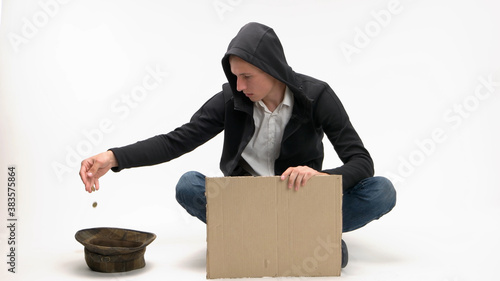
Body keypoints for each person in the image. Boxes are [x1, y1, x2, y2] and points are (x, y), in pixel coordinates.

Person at [79, 22, 396, 269]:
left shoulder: (317, 96)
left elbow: (361, 161)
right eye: (235, 77)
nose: (240, 86)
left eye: (247, 76)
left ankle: (276, 234)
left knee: (381, 190)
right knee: (188, 185)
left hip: (302, 200)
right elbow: (177, 140)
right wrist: (113, 157)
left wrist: (323, 179)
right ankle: (295, 236)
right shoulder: (231, 100)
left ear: (272, 69)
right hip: (246, 203)